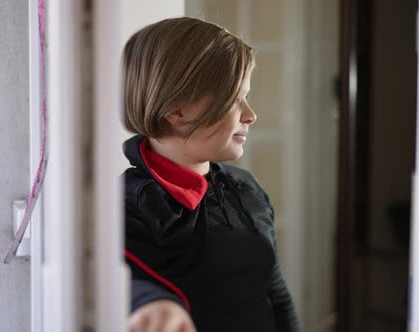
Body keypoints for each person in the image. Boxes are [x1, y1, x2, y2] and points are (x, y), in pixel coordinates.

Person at [121, 17, 301, 332]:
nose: (250, 114)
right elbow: (123, 286)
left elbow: (277, 297)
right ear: (176, 111)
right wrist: (151, 303)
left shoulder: (246, 188)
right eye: (234, 99)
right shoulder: (124, 208)